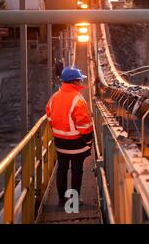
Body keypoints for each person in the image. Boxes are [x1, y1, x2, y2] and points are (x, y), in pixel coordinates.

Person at [46, 66, 94, 206]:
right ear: (73, 82)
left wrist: (58, 130)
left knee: (62, 169)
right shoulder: (78, 100)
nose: (81, 83)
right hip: (76, 143)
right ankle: (74, 201)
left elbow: (49, 117)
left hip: (60, 142)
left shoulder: (54, 97)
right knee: (76, 170)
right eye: (79, 80)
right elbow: (84, 125)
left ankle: (61, 200)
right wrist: (88, 140)